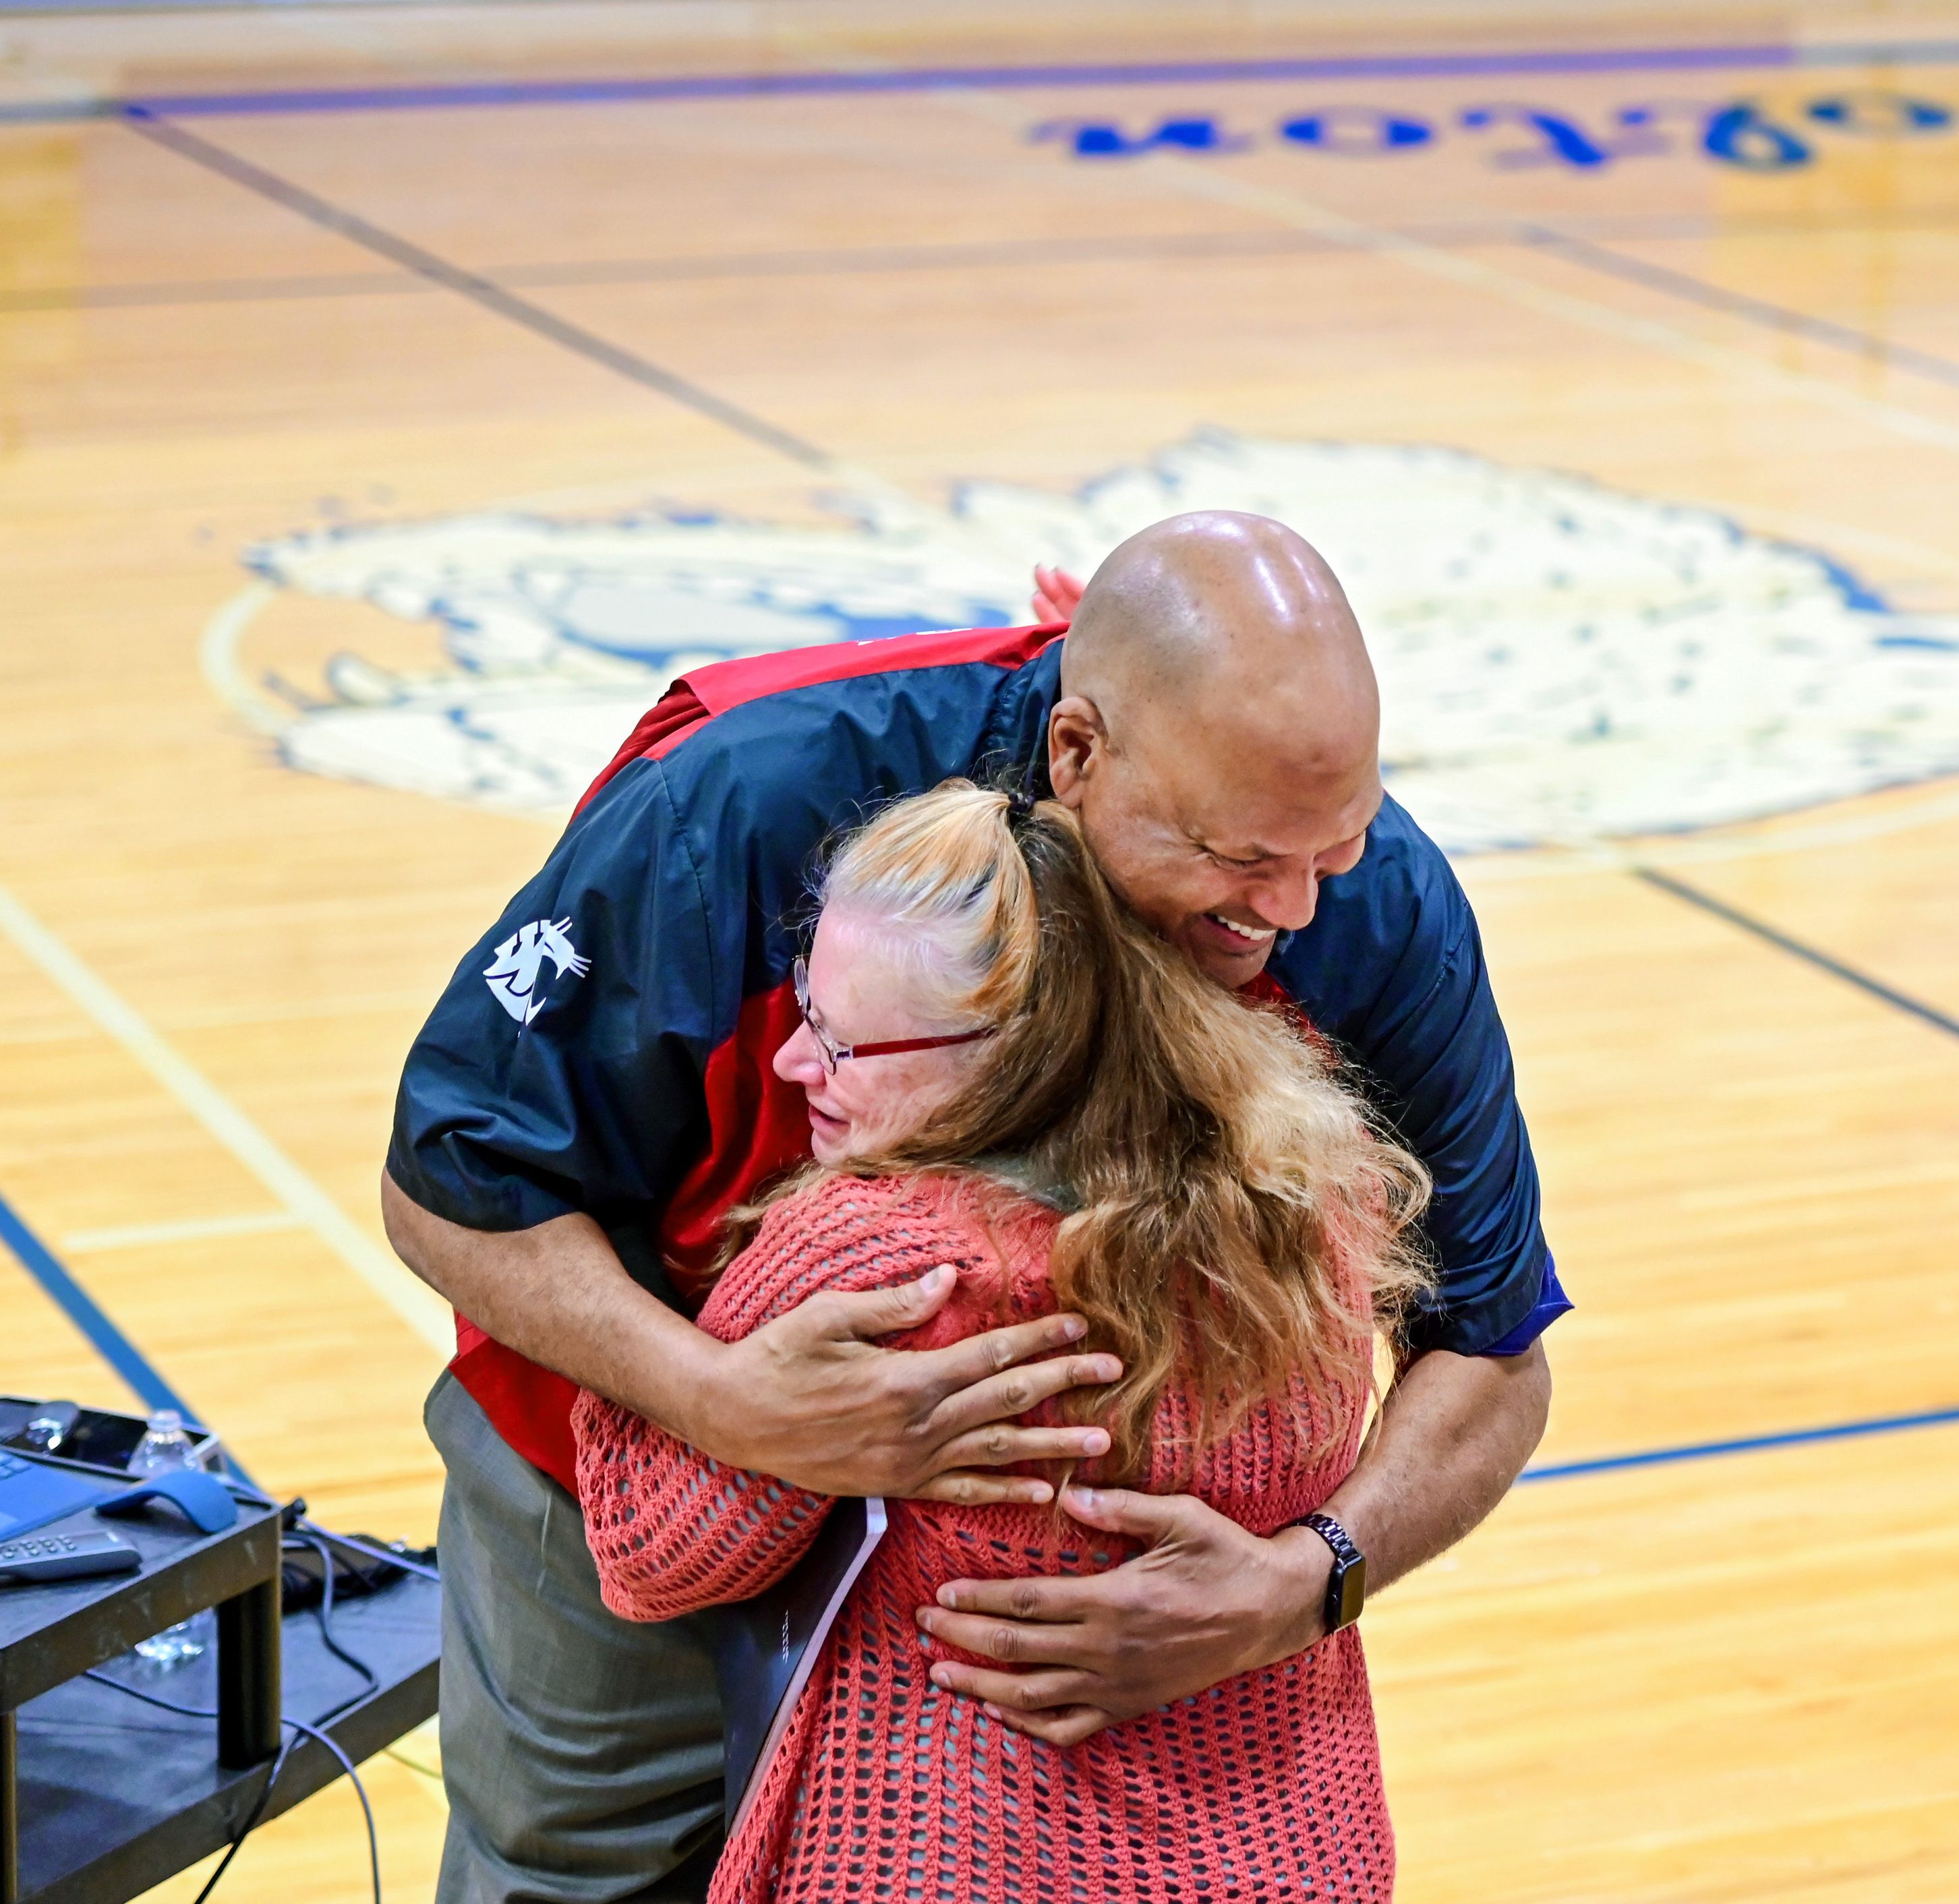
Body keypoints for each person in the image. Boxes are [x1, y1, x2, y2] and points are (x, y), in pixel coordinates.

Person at [384, 512, 1568, 1901]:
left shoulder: (1369, 900)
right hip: (637, 1438)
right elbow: (450, 1178)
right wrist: (720, 1401)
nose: (1296, 910)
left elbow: (1491, 1337)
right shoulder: (750, 804)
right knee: (580, 1875)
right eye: (1241, 858)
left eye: (1337, 845)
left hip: (1011, 1629)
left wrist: (1309, 1579)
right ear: (1077, 751)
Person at [575, 781, 1430, 1899]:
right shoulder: (1317, 1196)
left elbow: (649, 1552)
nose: (793, 1067)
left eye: (844, 1042)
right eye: (804, 1008)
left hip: (951, 1855)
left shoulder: (874, 1261)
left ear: (1011, 1050)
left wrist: (682, 1368)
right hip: (1296, 1850)